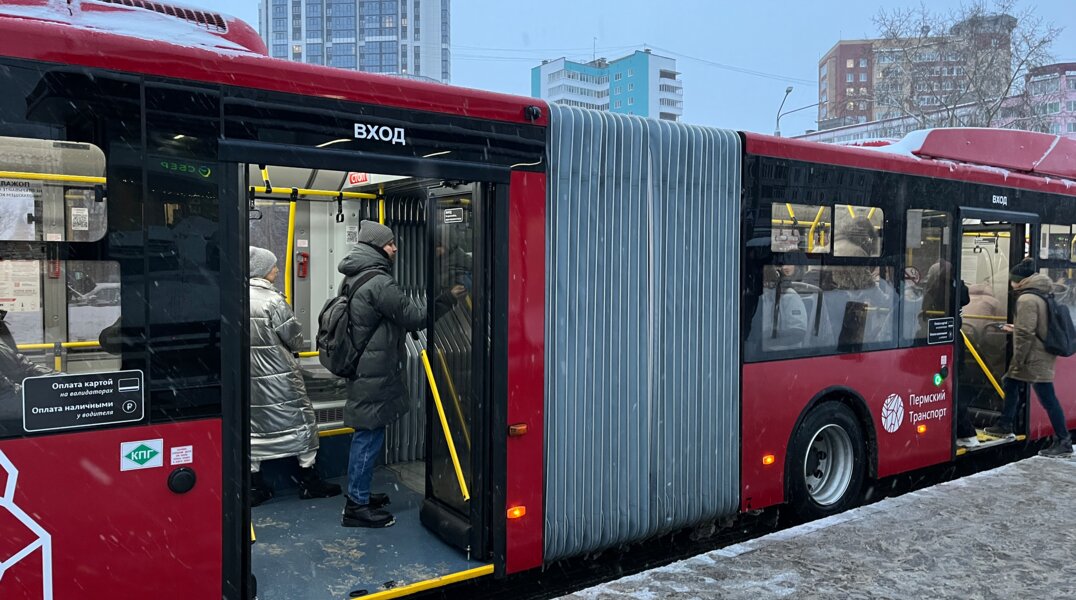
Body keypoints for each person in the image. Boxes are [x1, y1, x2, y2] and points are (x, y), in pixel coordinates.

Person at [337, 221, 461, 528]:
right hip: (374, 370)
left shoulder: (355, 277)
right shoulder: (379, 282)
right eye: (391, 244)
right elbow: (415, 317)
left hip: (364, 366)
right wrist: (448, 297)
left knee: (367, 433)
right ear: (378, 247)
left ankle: (359, 495)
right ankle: (356, 507)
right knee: (369, 435)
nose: (395, 248)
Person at [248, 247, 341, 506]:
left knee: (253, 426)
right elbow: (295, 339)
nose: (277, 270)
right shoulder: (273, 301)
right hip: (280, 376)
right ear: (264, 271)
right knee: (302, 423)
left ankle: (255, 486)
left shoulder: (237, 298)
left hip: (249, 378)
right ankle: (309, 480)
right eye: (274, 267)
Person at [984, 258, 1073, 457]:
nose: (1010, 283)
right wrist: (1015, 328)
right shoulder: (1041, 294)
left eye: (1011, 279)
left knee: (1046, 397)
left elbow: (1026, 334)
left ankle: (1063, 441)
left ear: (1019, 280)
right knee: (1011, 383)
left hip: (1033, 357)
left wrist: (1018, 359)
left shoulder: (1026, 299)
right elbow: (1035, 326)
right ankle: (1006, 423)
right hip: (1040, 353)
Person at [0, 309, 53, 429]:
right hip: (8, 412)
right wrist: (39, 393)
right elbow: (5, 393)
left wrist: (56, 379)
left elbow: (22, 363)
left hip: (14, 398)